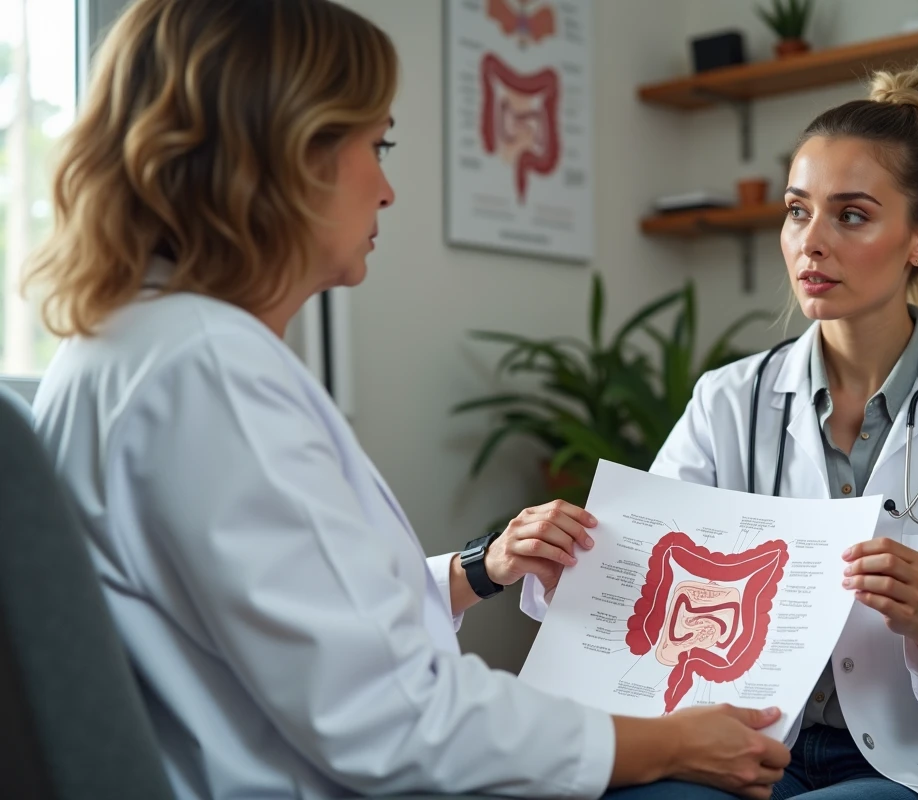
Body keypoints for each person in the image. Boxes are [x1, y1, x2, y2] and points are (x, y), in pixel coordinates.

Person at [23, 1, 793, 798]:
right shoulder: (209, 370)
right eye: (376, 145)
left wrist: (476, 572)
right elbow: (398, 719)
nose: (387, 190)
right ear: (289, 150)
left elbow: (292, 621)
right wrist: (662, 743)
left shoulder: (128, 348)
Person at [524, 70, 918, 800]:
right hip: (749, 744)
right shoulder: (726, 401)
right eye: (796, 211)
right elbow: (650, 580)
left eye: (851, 215)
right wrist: (570, 565)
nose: (810, 243)